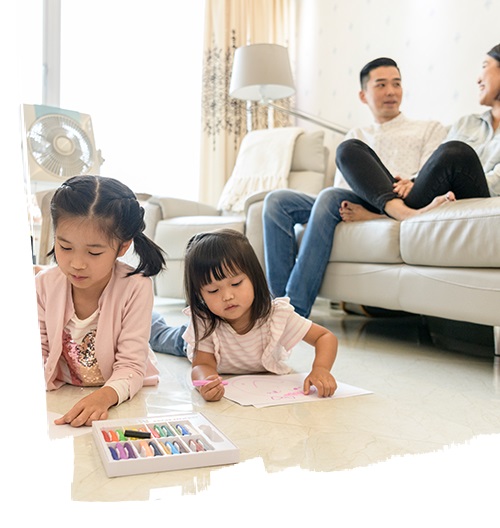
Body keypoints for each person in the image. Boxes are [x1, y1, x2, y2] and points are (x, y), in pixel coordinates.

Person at [262, 57, 447, 317]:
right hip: (355, 196)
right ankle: (276, 307)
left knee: (328, 197)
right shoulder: (356, 136)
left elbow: (429, 180)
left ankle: (293, 312)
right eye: (381, 85)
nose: (391, 91)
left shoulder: (428, 129)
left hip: (399, 199)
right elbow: (342, 190)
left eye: (396, 84)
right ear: (363, 95)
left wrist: (373, 214)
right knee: (277, 201)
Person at [36, 175, 167, 427]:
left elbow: (131, 364)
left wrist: (104, 397)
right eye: (65, 247)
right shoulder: (44, 284)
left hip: (119, 388)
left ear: (122, 247)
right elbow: (39, 352)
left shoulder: (136, 287)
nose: (77, 263)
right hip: (65, 388)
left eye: (94, 252)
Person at [336, 44, 500, 221]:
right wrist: (412, 183)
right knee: (349, 149)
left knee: (456, 152)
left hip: (472, 197)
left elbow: (494, 184)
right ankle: (403, 214)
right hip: (431, 198)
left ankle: (381, 216)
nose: (478, 79)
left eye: (485, 66)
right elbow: (437, 165)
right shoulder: (466, 123)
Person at [181, 229, 338, 402]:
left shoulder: (277, 316)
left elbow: (325, 337)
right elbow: (202, 364)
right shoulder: (204, 321)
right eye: (213, 290)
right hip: (198, 338)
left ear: (254, 278)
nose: (227, 296)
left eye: (236, 283)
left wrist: (321, 369)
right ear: (200, 295)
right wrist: (206, 382)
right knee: (168, 338)